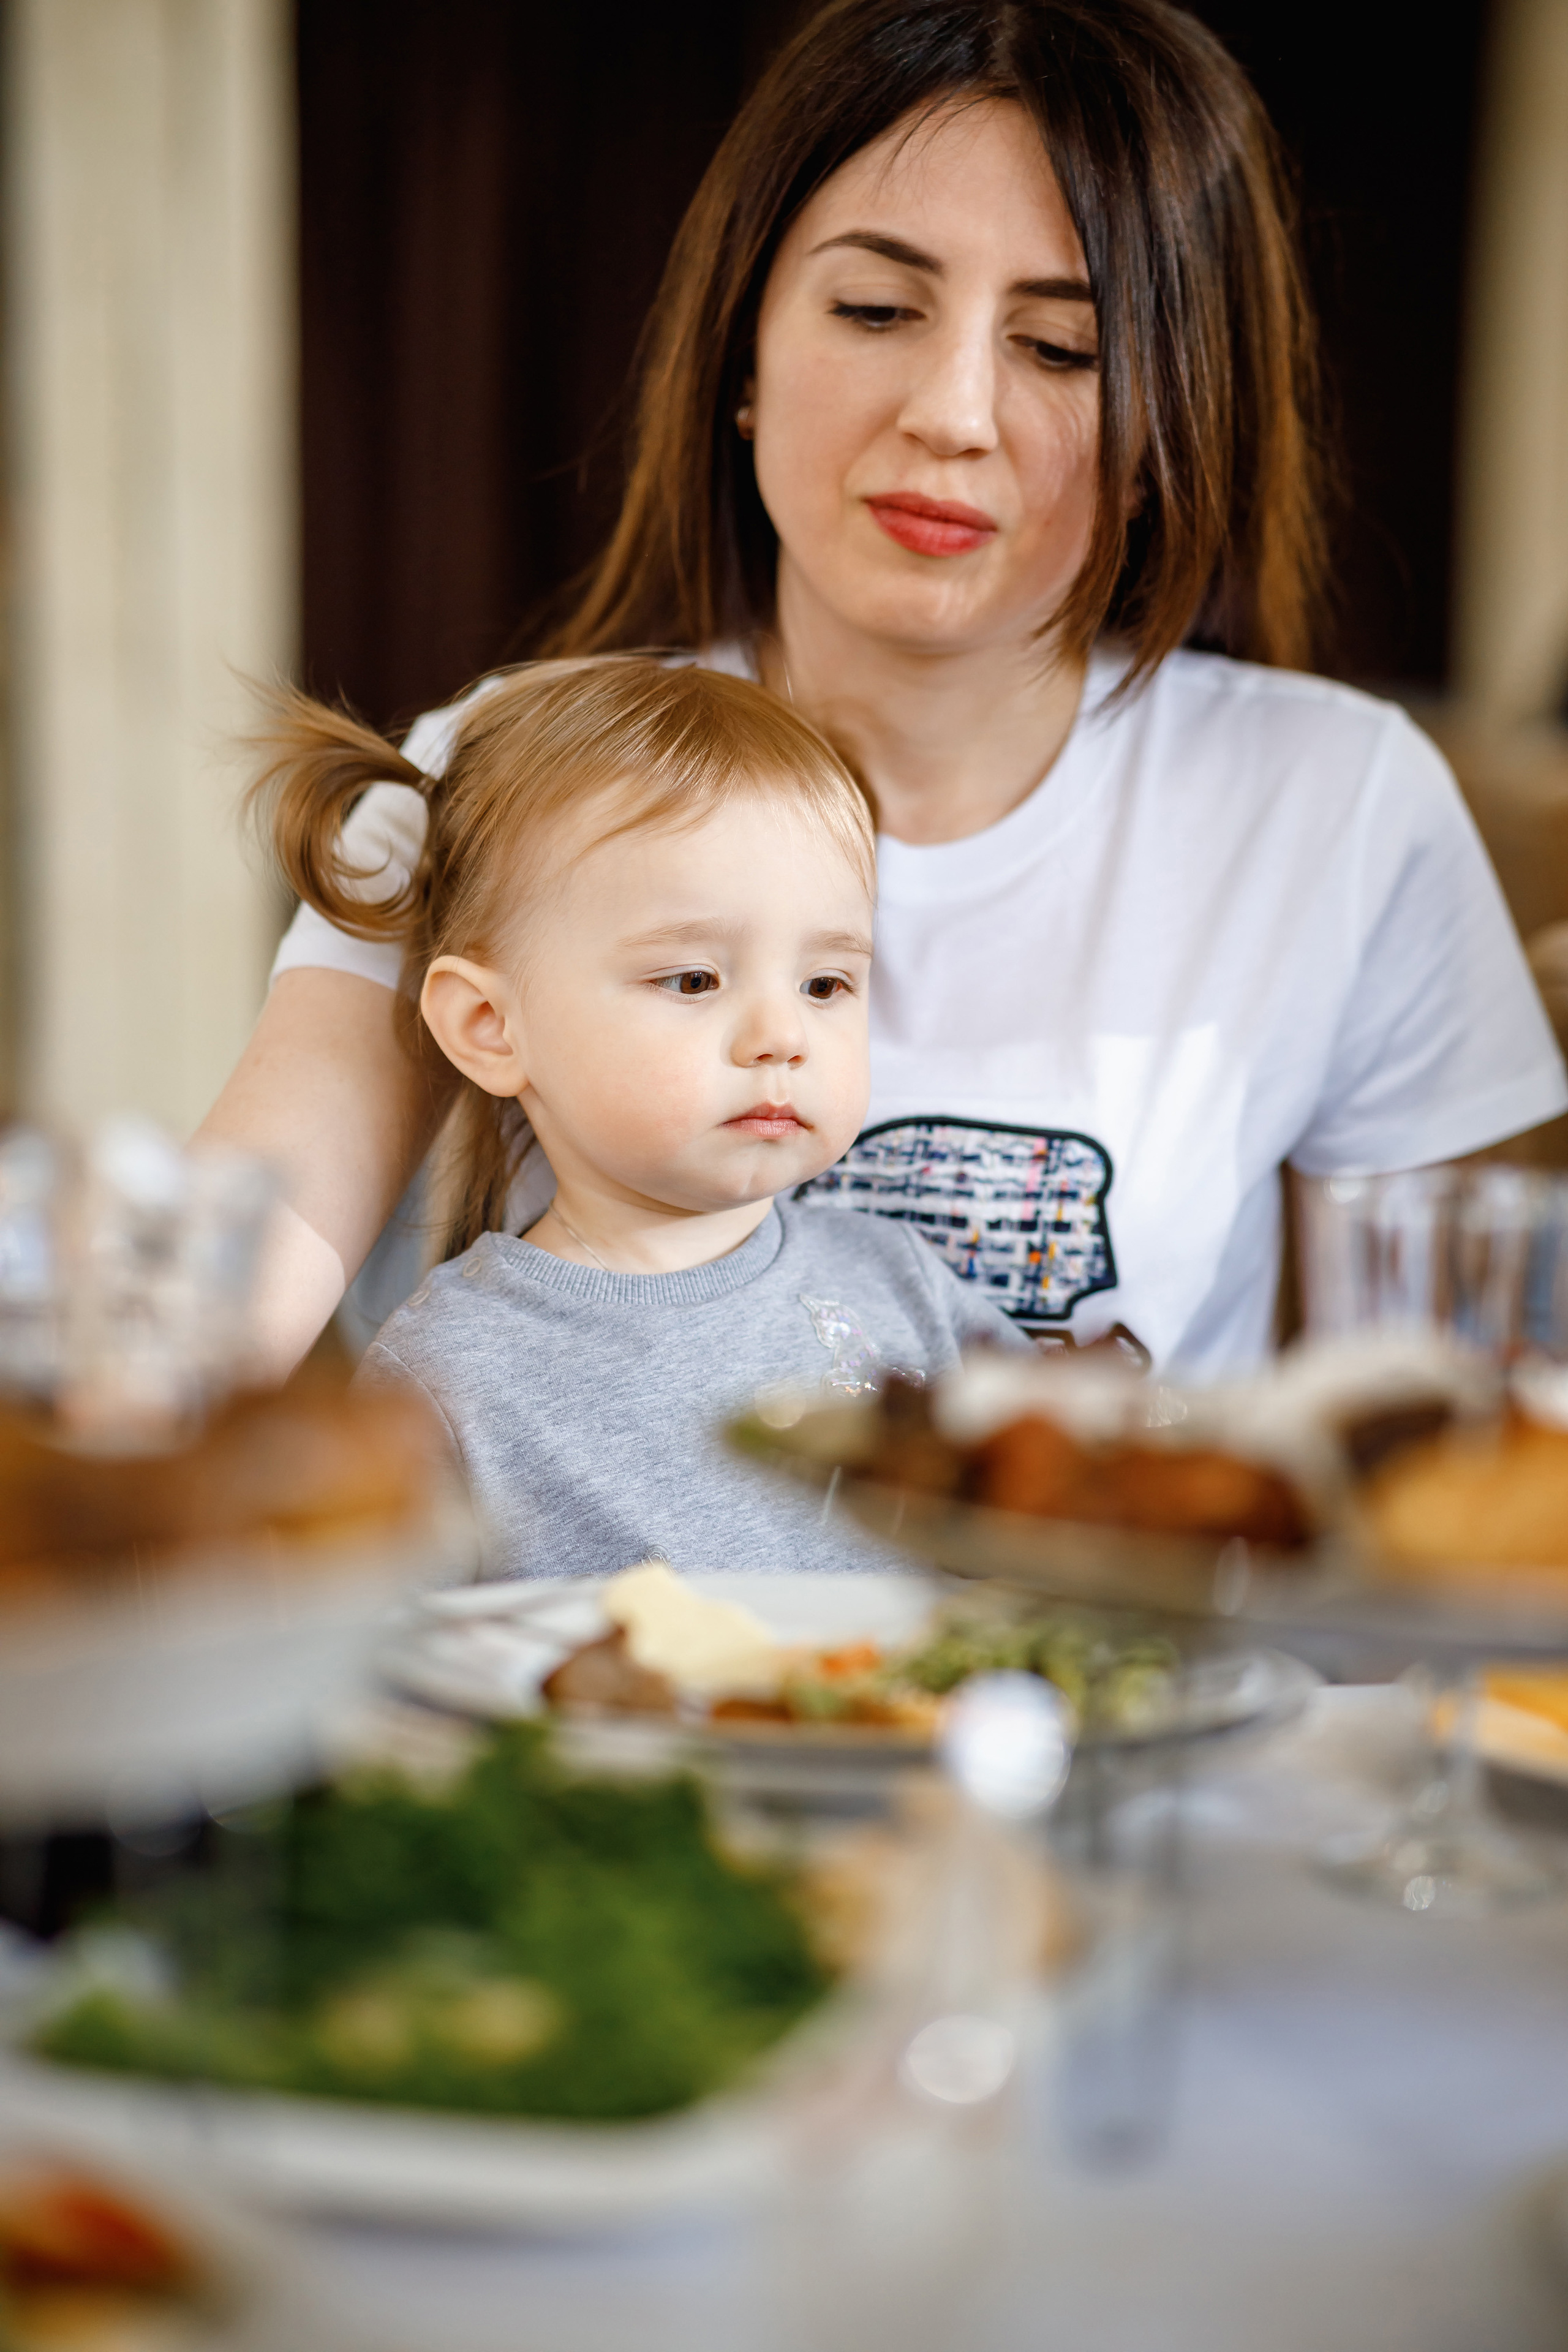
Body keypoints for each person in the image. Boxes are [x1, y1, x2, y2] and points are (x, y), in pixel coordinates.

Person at [205, 0, 1566, 1380]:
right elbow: (223, 1287)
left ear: (1169, 427)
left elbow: (1450, 1416)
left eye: (1062, 349)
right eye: (873, 309)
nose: (951, 414)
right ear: (741, 353)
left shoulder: (1338, 804)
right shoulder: (497, 767)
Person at [249, 656, 1028, 1577]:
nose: (782, 1036)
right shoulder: (443, 1380)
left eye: (826, 983)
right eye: (693, 979)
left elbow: (1076, 1534)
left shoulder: (904, 1290)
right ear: (490, 1027)